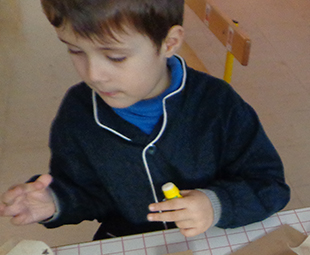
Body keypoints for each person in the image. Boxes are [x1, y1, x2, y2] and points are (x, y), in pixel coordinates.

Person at [0, 0, 289, 240]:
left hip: (214, 238)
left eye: (115, 57)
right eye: (76, 51)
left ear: (169, 43)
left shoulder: (217, 103)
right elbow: (87, 193)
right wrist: (54, 201)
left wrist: (216, 204)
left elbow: (270, 186)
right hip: (127, 243)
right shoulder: (78, 112)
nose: (94, 74)